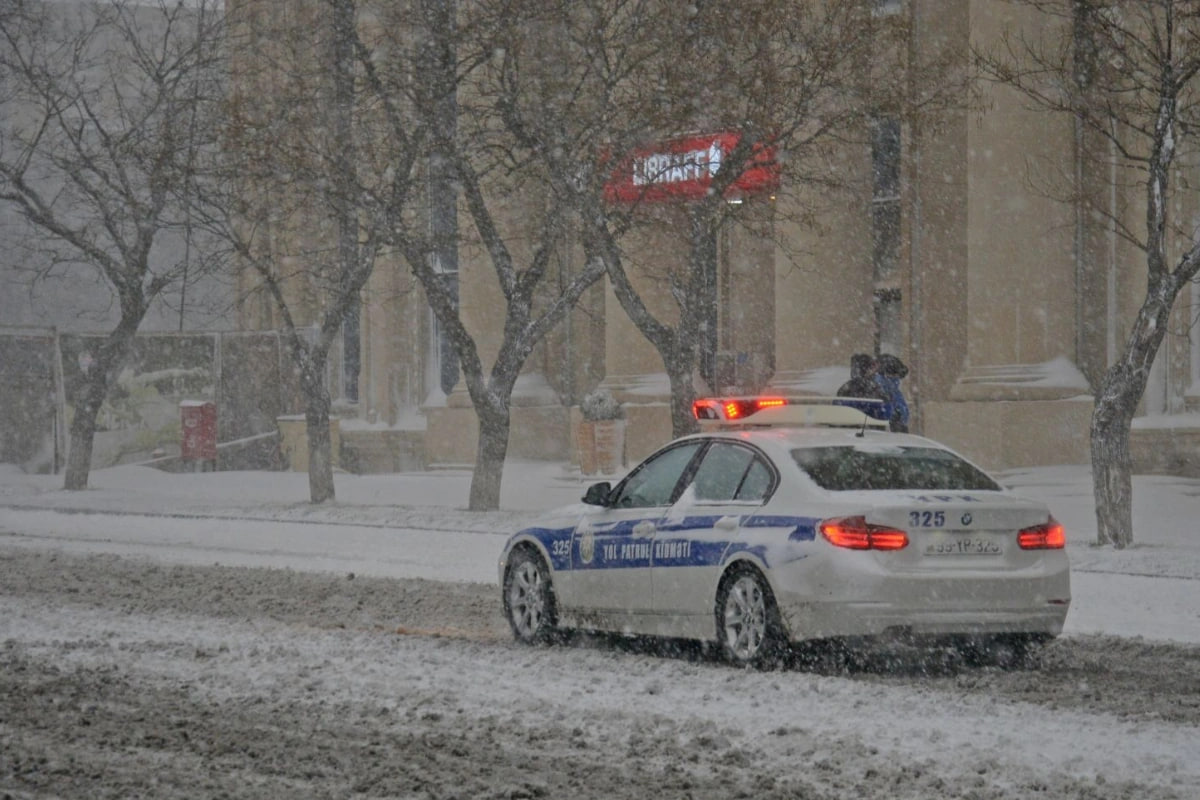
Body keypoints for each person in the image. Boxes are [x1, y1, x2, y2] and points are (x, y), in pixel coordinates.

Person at [835, 352, 910, 433]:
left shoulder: (846, 388)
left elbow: (837, 411)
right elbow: (895, 416)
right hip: (875, 436)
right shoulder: (877, 389)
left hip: (845, 435)